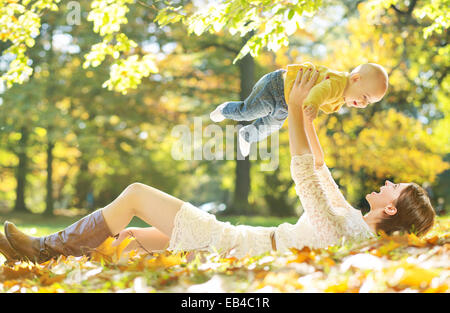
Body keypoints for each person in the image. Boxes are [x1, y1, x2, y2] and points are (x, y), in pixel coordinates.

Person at [0, 69, 434, 265]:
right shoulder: (353, 224)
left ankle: (43, 249)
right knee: (126, 240)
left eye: (396, 188)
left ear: (391, 210)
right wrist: (306, 116)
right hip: (240, 242)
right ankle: (45, 256)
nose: (389, 182)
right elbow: (319, 170)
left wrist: (299, 108)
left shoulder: (348, 234)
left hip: (233, 244)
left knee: (134, 193)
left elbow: (304, 175)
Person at [210, 62, 388, 157]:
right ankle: (225, 109)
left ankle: (247, 135)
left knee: (271, 125)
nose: (364, 103)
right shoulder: (338, 84)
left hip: (286, 103)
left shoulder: (341, 98)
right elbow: (319, 91)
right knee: (249, 111)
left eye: (368, 102)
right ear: (356, 79)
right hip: (276, 86)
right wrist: (313, 105)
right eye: (364, 97)